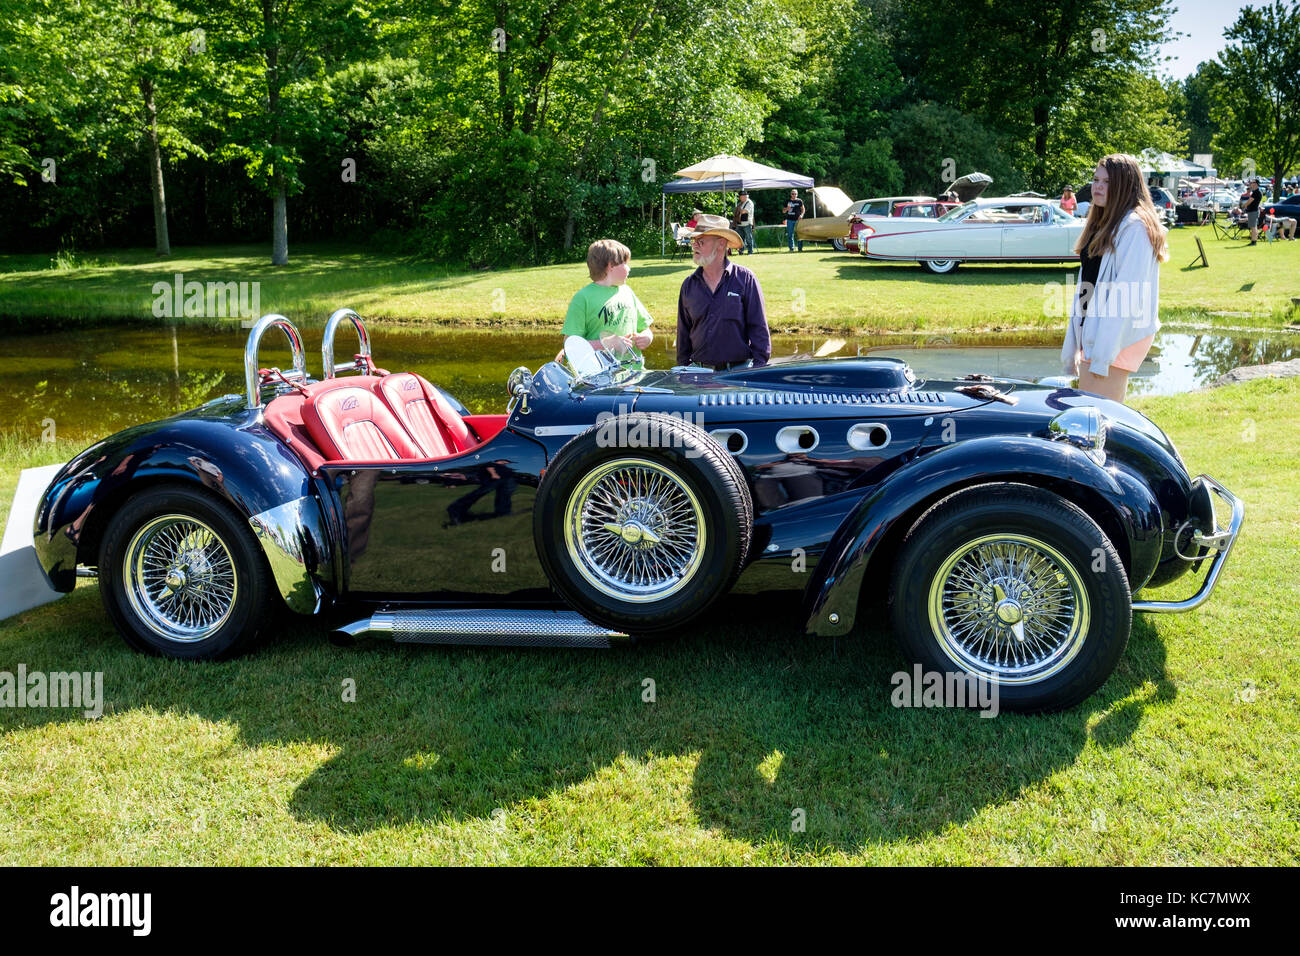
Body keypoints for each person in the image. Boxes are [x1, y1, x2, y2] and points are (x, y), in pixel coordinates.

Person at [1061, 154, 1169, 405]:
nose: (1097, 186)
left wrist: (1102, 354)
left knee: (1096, 414)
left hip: (1116, 335)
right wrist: (1077, 338)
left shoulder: (1135, 228)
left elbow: (1127, 294)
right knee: (1094, 413)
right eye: (1096, 180)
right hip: (1097, 330)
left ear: (1124, 185)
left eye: (1107, 182)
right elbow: (1087, 283)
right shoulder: (1103, 223)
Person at [676, 214, 771, 370]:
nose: (694, 246)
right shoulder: (688, 285)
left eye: (700, 241)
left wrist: (758, 370)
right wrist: (683, 371)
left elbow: (759, 329)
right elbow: (683, 335)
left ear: (721, 244)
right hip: (698, 374)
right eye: (693, 241)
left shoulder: (745, 279)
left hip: (738, 374)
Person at [562, 239, 653, 365]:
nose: (629, 268)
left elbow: (645, 328)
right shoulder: (583, 298)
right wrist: (607, 343)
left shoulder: (627, 292)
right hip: (600, 378)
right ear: (611, 266)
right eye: (625, 263)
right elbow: (570, 347)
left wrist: (647, 337)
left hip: (634, 375)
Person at [734, 188, 756, 255]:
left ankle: (750, 251)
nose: (741, 197)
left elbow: (744, 211)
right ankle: (741, 251)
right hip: (740, 223)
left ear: (746, 196)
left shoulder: (749, 203)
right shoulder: (741, 203)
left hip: (747, 223)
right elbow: (736, 212)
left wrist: (738, 210)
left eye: (743, 196)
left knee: (749, 238)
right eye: (741, 196)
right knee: (741, 239)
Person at [1245, 178, 1263, 244]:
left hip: (1253, 211)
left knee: (1253, 227)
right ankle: (1254, 240)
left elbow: (1250, 200)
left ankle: (1254, 241)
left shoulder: (1256, 192)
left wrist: (1244, 205)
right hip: (1254, 211)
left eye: (1252, 183)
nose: (1251, 184)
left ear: (1256, 184)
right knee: (1254, 226)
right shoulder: (1257, 192)